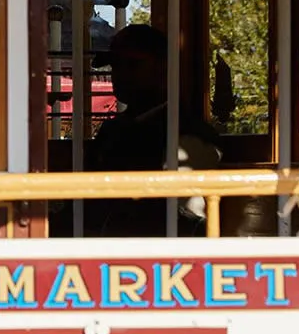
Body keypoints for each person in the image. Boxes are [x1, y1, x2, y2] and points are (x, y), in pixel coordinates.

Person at [82, 24, 224, 237]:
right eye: (116, 66)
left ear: (164, 68)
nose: (121, 74)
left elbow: (186, 219)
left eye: (133, 65)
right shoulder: (114, 128)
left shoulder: (188, 135)